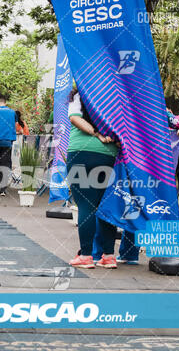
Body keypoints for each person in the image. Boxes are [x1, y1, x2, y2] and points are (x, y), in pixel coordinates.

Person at [65, 87, 119, 269]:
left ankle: (86, 255)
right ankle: (109, 256)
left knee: (86, 205)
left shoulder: (81, 92)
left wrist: (95, 133)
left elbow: (74, 117)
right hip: (109, 154)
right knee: (105, 205)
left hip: (81, 152)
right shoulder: (115, 93)